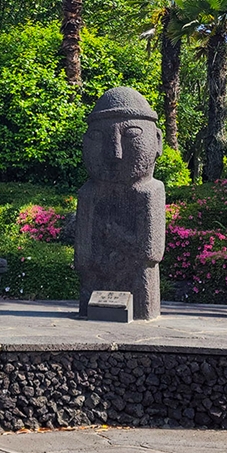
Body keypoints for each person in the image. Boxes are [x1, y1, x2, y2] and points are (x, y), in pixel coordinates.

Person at [75, 87, 165, 320]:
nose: (115, 152)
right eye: (98, 136)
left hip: (139, 284)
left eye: (131, 134)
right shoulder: (89, 194)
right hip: (96, 279)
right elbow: (82, 257)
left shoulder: (149, 192)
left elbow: (151, 252)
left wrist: (116, 237)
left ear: (157, 141)